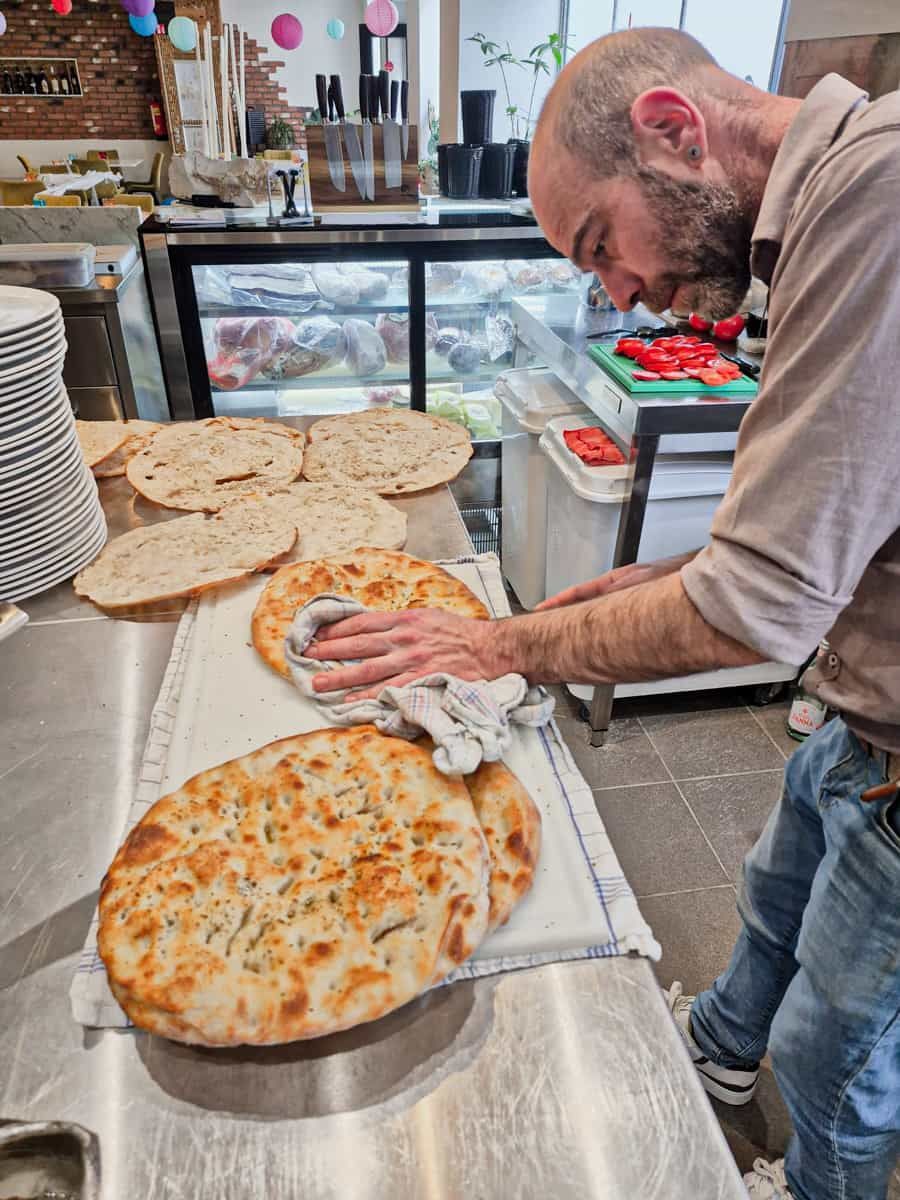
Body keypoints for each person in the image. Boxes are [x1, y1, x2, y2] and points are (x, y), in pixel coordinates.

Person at [305, 27, 900, 1200]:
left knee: (837, 1056)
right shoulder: (818, 218)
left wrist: (497, 641)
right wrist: (657, 575)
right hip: (861, 708)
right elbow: (829, 517)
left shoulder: (878, 198)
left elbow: (762, 610)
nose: (617, 292)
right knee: (774, 904)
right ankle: (720, 1058)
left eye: (600, 246)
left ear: (675, 132)